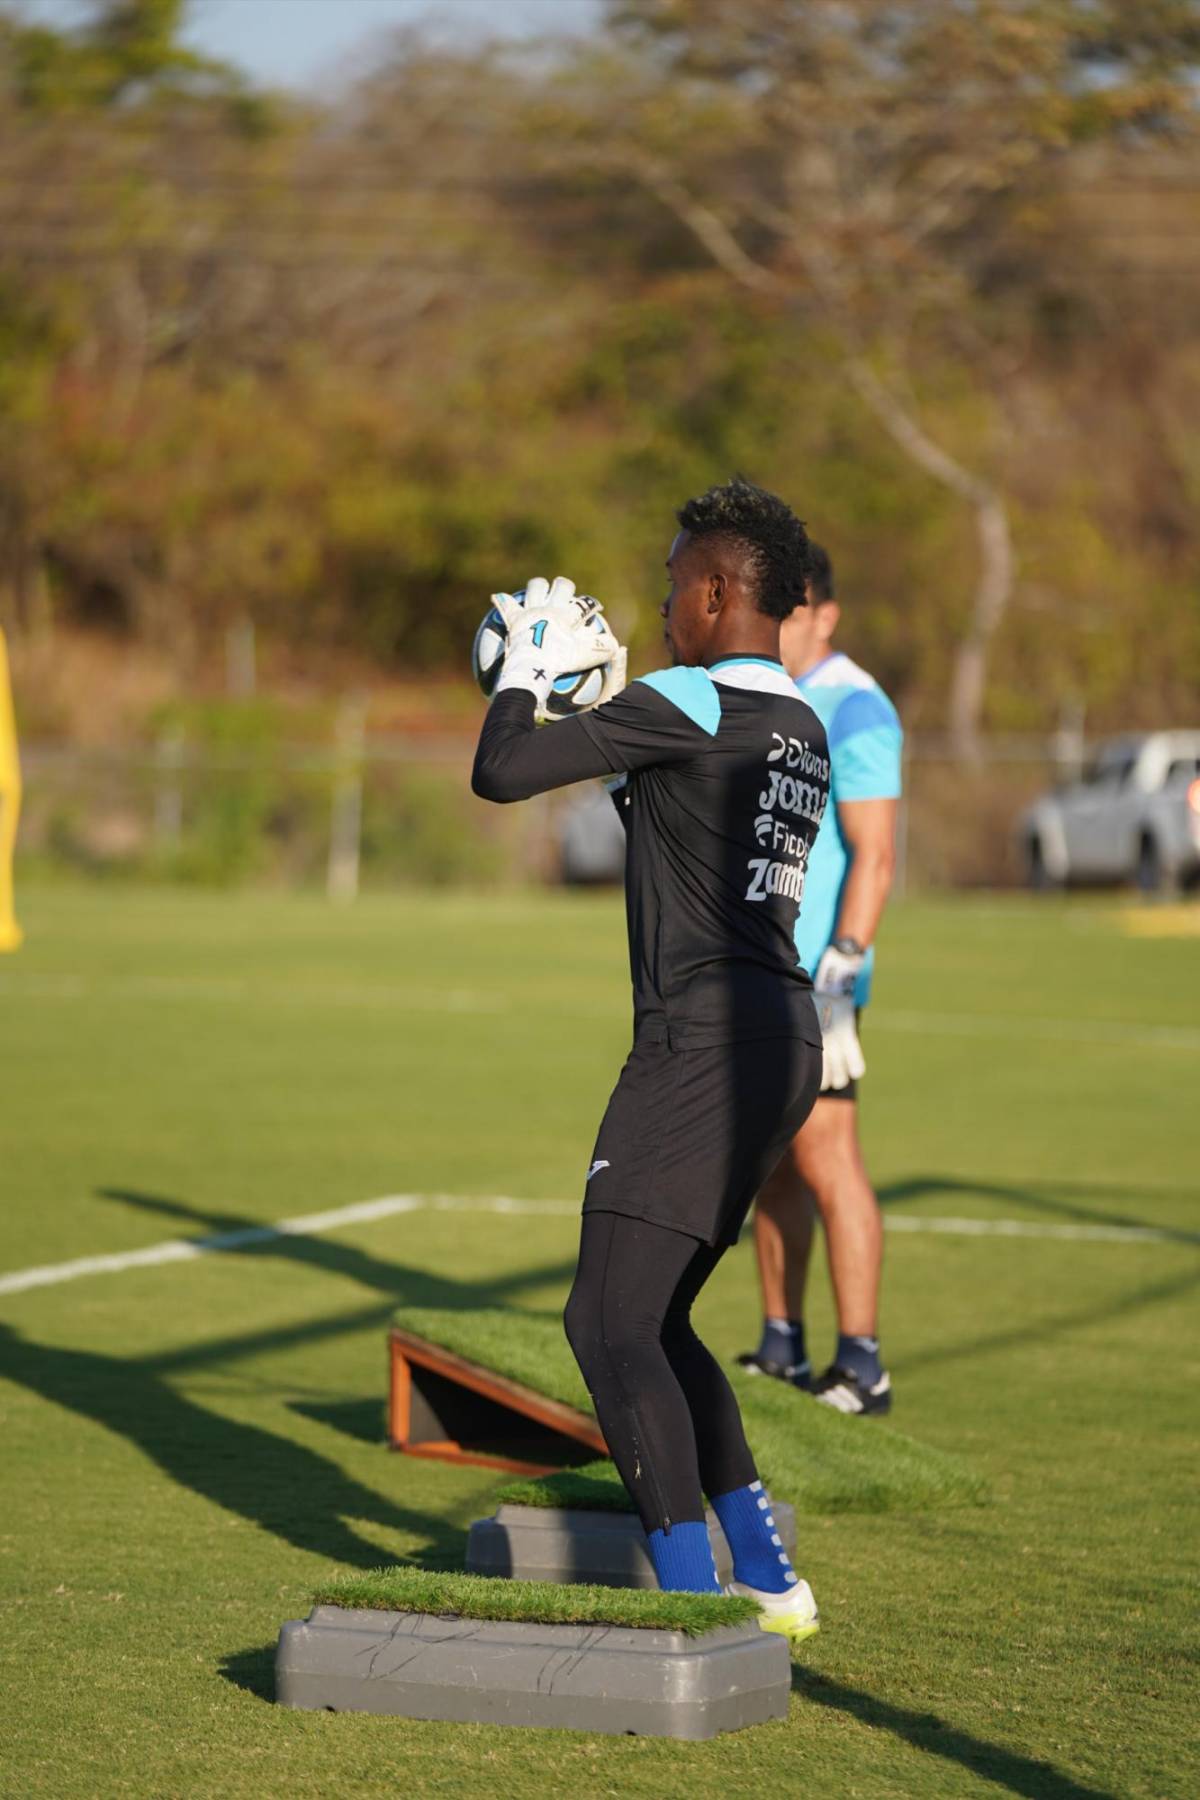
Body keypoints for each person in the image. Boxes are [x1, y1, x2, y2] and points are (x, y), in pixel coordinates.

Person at [472, 478, 829, 1636]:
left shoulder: (691, 699)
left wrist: (525, 677)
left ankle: (691, 1607)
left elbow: (503, 771)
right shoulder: (798, 723)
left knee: (606, 1326)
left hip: (700, 1049)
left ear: (719, 591)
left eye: (674, 583)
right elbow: (673, 832)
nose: (663, 604)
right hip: (778, 1042)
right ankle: (767, 1580)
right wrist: (618, 723)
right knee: (659, 1322)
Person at [738, 544, 903, 1415]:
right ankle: (782, 1345)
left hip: (820, 980)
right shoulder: (770, 695)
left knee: (828, 1153)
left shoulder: (857, 707)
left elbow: (875, 853)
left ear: (826, 615)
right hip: (759, 970)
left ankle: (862, 1364)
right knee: (772, 1162)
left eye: (792, 610)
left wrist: (843, 963)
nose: (779, 625)